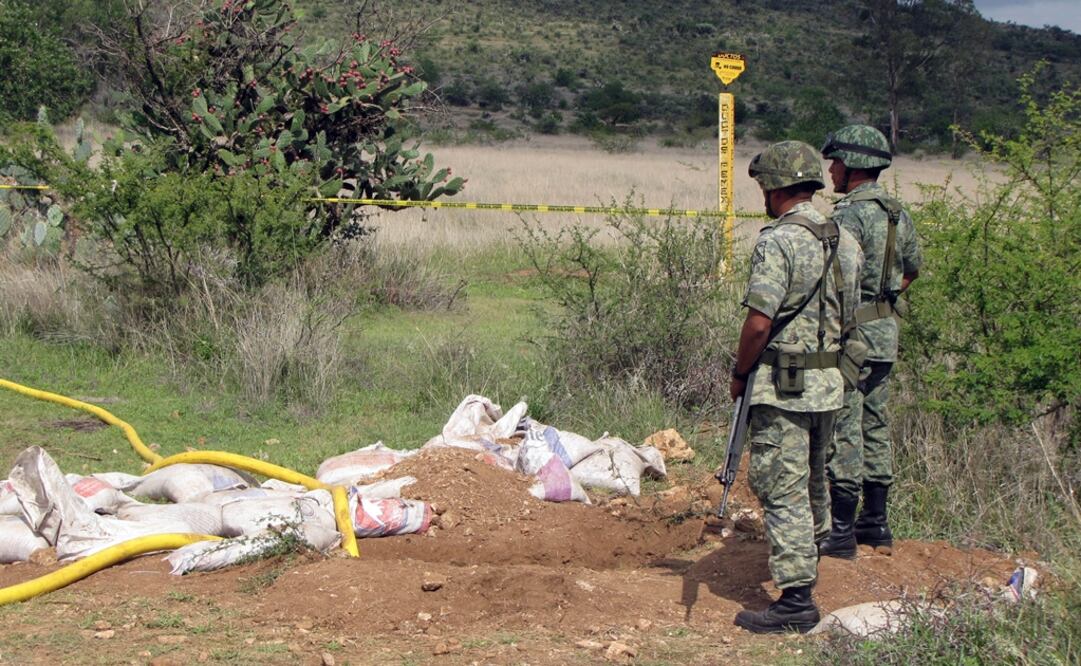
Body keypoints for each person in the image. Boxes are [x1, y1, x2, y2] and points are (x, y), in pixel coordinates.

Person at [731, 141, 862, 633]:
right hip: (829, 381)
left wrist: (740, 372)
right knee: (812, 479)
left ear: (776, 187)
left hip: (784, 384)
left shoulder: (779, 241)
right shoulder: (844, 240)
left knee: (781, 485)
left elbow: (759, 323)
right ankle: (813, 558)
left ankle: (796, 598)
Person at [816, 125, 922, 559]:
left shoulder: (847, 216)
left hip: (853, 336)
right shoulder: (898, 213)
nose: (831, 169)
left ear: (855, 166)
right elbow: (911, 270)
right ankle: (875, 523)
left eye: (837, 161)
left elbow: (830, 278)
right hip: (885, 333)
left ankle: (840, 531)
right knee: (876, 424)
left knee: (845, 427)